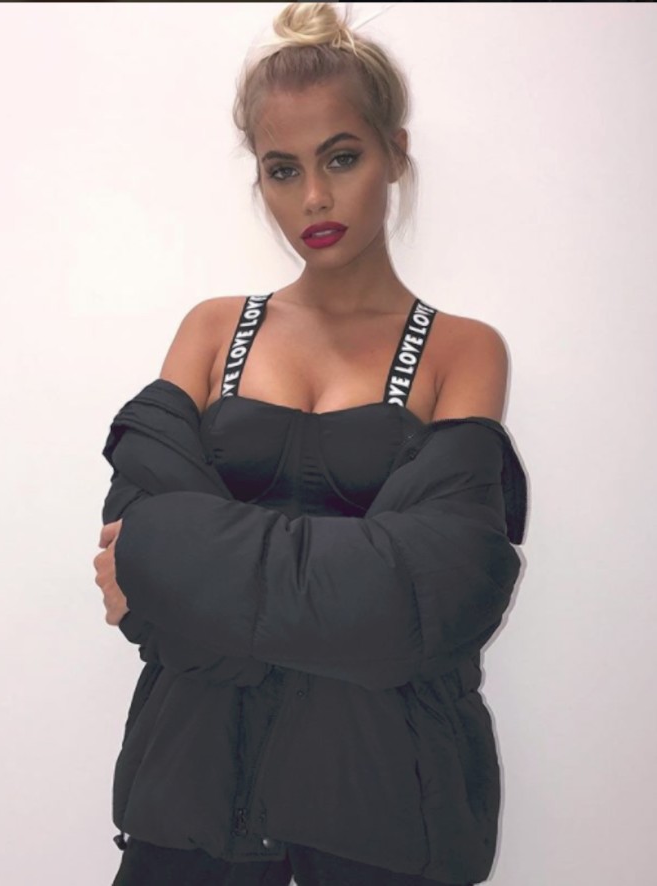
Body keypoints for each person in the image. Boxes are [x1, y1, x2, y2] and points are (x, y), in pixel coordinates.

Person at [93, 3, 527, 884]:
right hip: (191, 803)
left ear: (394, 153)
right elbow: (133, 571)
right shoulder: (213, 330)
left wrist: (191, 569)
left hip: (385, 811)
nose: (315, 199)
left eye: (342, 157)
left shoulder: (463, 350)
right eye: (282, 170)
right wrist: (347, 594)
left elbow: (434, 600)